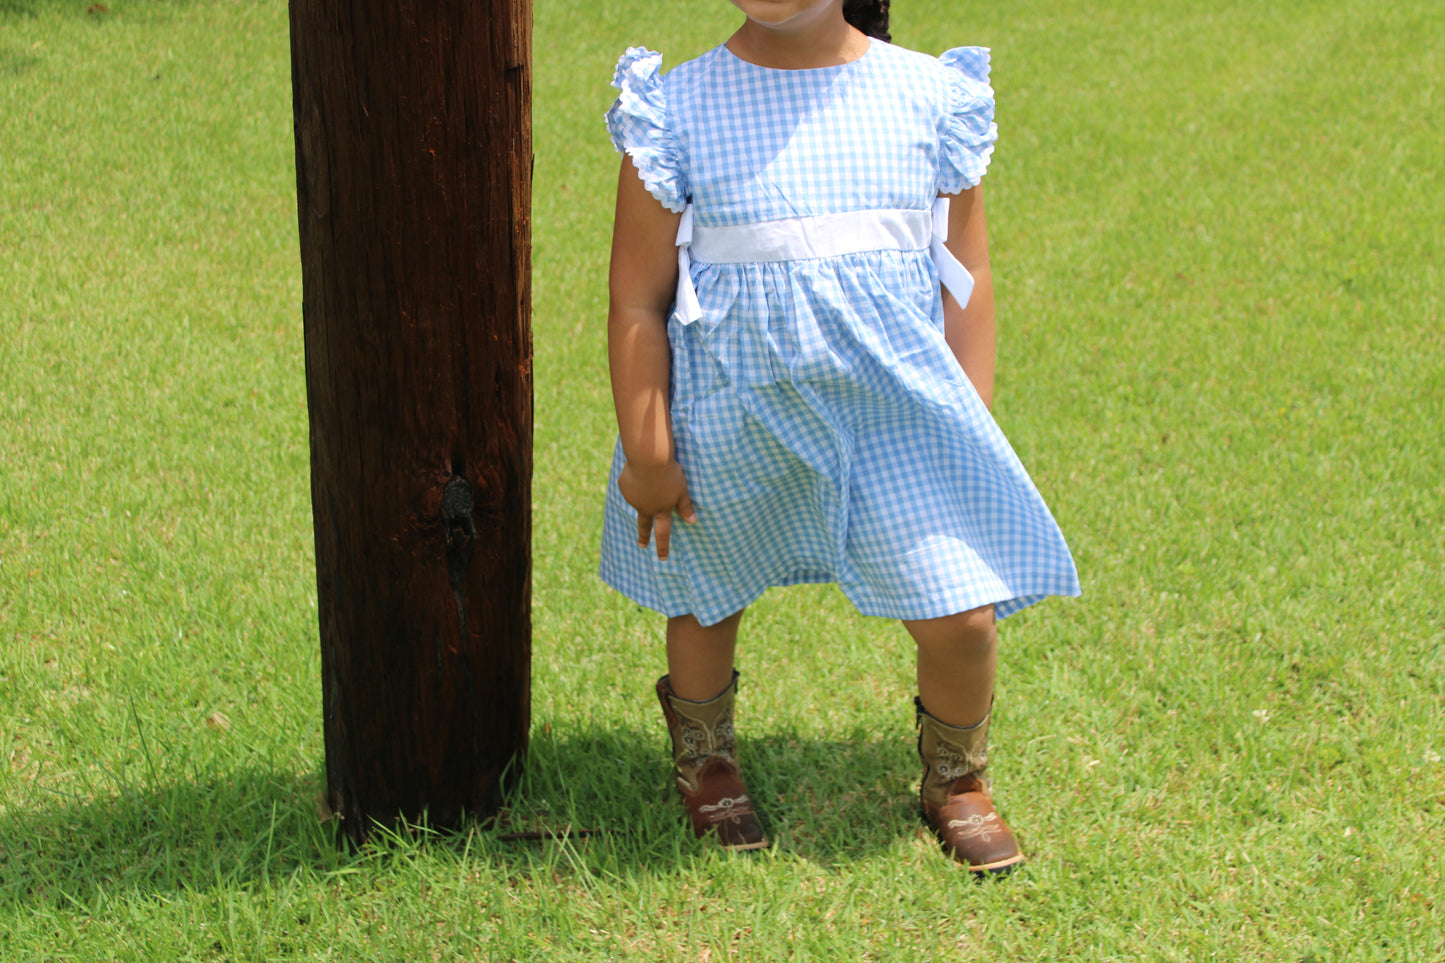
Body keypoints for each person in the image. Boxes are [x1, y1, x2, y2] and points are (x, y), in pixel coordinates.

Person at [598, 0, 1080, 874]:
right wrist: (649, 449)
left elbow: (965, 272)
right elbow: (639, 297)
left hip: (894, 418)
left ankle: (956, 777)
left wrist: (963, 419)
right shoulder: (674, 110)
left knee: (961, 615)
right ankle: (707, 762)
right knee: (705, 596)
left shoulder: (931, 97)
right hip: (731, 411)